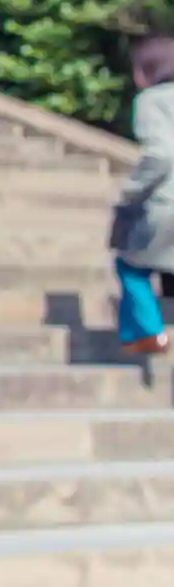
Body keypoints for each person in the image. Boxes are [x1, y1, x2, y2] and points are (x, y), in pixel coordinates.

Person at [109, 36, 174, 357]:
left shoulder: (152, 100)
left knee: (130, 267)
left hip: (165, 202)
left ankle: (149, 333)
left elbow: (161, 154)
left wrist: (131, 191)